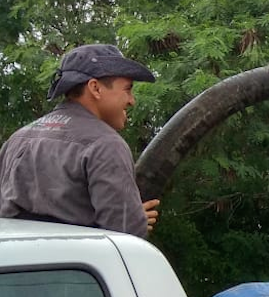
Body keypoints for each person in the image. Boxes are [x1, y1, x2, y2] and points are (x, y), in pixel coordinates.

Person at [0, 44, 160, 237]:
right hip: (70, 266)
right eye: (127, 89)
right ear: (95, 88)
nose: (132, 100)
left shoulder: (19, 138)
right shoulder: (106, 145)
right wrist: (135, 220)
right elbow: (125, 235)